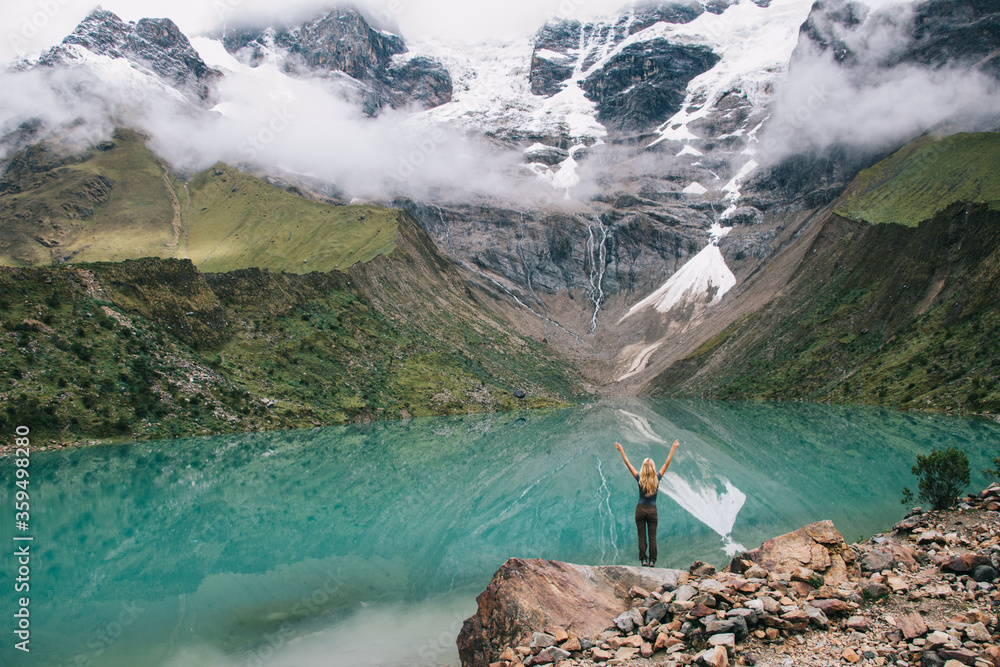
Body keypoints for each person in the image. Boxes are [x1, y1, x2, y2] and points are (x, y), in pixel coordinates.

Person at [615, 439, 680, 567]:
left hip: (640, 510)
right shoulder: (657, 478)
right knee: (652, 537)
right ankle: (652, 561)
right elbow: (667, 463)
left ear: (643, 468)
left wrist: (621, 450)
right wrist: (673, 448)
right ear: (653, 468)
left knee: (641, 537)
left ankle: (643, 560)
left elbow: (628, 464)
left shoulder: (640, 478)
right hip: (652, 510)